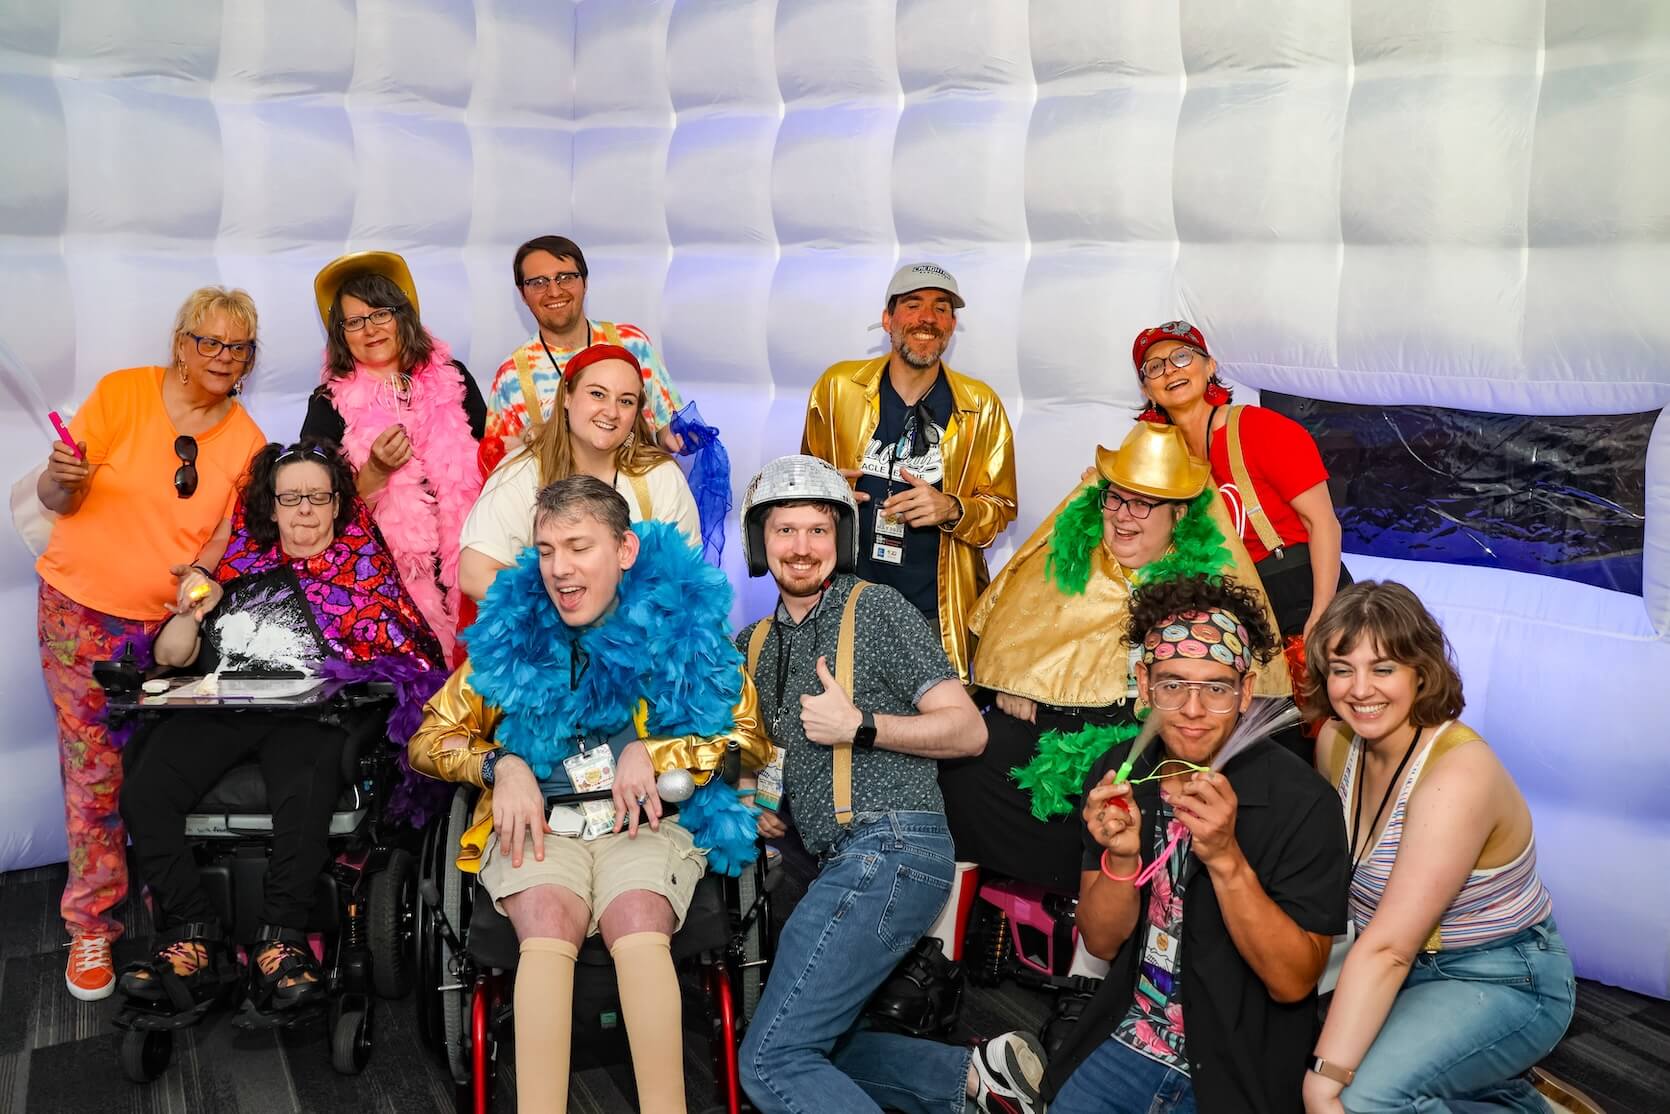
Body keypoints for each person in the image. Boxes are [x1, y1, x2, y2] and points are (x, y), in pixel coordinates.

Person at [410, 475, 771, 1114]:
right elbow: (428, 737)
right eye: (547, 550)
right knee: (546, 923)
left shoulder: (681, 629)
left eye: (578, 547)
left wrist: (653, 752)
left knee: (637, 919)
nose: (560, 569)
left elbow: (749, 739)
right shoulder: (512, 636)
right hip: (542, 824)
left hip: (650, 821)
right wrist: (500, 764)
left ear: (625, 550)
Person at [734, 454, 1047, 1114]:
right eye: (784, 530)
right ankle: (973, 1079)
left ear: (842, 540)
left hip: (893, 847)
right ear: (760, 542)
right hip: (838, 861)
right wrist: (752, 803)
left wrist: (862, 726)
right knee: (810, 1043)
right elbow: (766, 753)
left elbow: (968, 731)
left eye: (818, 530)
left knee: (768, 1061)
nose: (800, 547)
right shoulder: (754, 643)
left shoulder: (874, 609)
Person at [117, 439, 445, 1019]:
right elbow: (169, 656)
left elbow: (403, 660)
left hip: (314, 711)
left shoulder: (361, 567)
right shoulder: (237, 563)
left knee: (309, 773)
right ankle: (193, 930)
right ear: (269, 507)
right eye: (290, 498)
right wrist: (196, 605)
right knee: (146, 782)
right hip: (230, 704)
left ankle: (282, 939)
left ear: (338, 504)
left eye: (318, 498)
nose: (305, 512)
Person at [34, 285, 268, 1001]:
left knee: (164, 776)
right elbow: (58, 497)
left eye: (238, 347)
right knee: (95, 777)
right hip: (81, 616)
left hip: (169, 638)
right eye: (211, 342)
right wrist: (57, 478)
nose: (224, 357)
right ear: (181, 342)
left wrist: (193, 601)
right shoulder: (122, 393)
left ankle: (179, 919)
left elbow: (223, 554)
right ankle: (93, 925)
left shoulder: (248, 442)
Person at [1044, 574, 1350, 1114]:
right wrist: (1121, 857)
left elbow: (1293, 982)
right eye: (1172, 684)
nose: (1191, 709)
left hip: (1233, 1074)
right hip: (1126, 1042)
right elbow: (1101, 942)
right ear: (1144, 683)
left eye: (1215, 687)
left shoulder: (1303, 804)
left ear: (1247, 691)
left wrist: (1227, 860)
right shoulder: (1121, 774)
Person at [943, 420, 1290, 894]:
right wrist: (1012, 681)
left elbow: (1242, 679)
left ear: (1180, 516)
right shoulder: (1070, 555)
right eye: (1116, 498)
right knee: (970, 766)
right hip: (1059, 719)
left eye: (1144, 504)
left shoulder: (1210, 577)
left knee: (1131, 786)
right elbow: (1018, 632)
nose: (1124, 516)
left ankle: (1098, 922)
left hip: (1158, 728)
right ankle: (963, 929)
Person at [1303, 582, 1574, 1114]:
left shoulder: (1457, 775)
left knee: (1358, 1099)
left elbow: (1391, 948)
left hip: (1500, 976)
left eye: (1383, 669)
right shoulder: (1335, 744)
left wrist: (1323, 1084)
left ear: (1420, 672)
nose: (1360, 689)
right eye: (1342, 669)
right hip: (1395, 967)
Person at [801, 262, 1017, 684]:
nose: (927, 318)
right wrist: (827, 494)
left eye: (941, 308)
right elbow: (799, 490)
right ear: (888, 319)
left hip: (932, 615)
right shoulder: (837, 387)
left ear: (952, 325)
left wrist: (952, 508)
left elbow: (1001, 508)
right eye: (913, 305)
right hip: (842, 603)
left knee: (932, 737)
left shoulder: (980, 406)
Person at [1132, 319, 1348, 694]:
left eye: (1181, 357)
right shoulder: (1161, 462)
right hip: (1228, 611)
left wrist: (1322, 614)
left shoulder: (1263, 429)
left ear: (1209, 366)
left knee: (1325, 721)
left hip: (1296, 587)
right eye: (1156, 366)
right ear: (1147, 389)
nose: (1170, 370)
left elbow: (1323, 524)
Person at [304, 250, 486, 661]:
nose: (370, 330)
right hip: (385, 582)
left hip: (468, 563)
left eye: (380, 314)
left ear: (402, 315)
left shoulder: (452, 377)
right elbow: (315, 506)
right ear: (340, 334)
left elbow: (489, 466)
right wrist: (375, 471)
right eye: (354, 321)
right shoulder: (328, 403)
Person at [458, 342, 700, 601]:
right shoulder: (522, 472)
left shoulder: (660, 477)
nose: (611, 411)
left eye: (626, 401)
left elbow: (688, 579)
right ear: (567, 396)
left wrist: (620, 627)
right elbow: (475, 574)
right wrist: (565, 616)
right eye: (597, 394)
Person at [478, 235, 685, 475]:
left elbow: (666, 427)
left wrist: (679, 436)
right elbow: (501, 469)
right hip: (561, 507)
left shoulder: (631, 343)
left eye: (566, 278)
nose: (554, 291)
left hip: (643, 503)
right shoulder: (512, 375)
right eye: (538, 282)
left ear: (585, 282)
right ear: (522, 294)